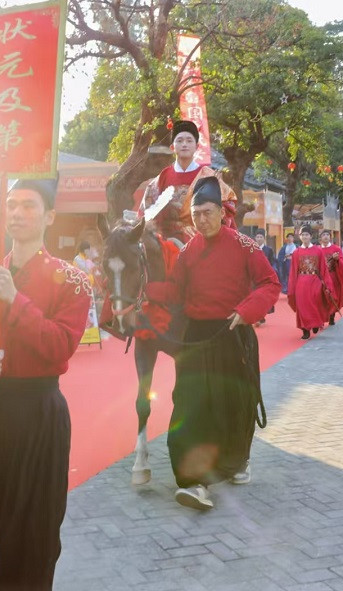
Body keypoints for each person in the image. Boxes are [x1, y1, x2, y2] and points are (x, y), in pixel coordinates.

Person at [0, 176, 90, 589]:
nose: (17, 213)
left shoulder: (73, 280)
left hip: (40, 413)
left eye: (28, 205)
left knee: (34, 530)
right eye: (11, 204)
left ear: (49, 216)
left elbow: (59, 346)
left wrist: (15, 300)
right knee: (2, 519)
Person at [144, 176, 280, 511]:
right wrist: (143, 291)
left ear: (222, 212)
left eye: (207, 212)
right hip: (196, 338)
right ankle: (192, 481)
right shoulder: (189, 251)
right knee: (189, 404)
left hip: (232, 334)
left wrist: (246, 310)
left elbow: (269, 283)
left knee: (233, 404)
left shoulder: (245, 246)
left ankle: (235, 461)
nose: (201, 220)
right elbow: (175, 292)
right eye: (196, 214)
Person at [142, 119, 204, 246]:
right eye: (179, 141)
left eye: (189, 140)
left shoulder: (207, 176)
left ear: (197, 146)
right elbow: (147, 211)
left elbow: (223, 211)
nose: (184, 144)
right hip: (167, 241)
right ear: (172, 147)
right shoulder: (162, 178)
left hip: (201, 240)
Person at [287, 225, 333, 339]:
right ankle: (305, 329)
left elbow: (323, 269)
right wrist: (292, 287)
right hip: (301, 282)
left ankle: (315, 323)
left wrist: (327, 284)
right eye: (302, 235)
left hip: (315, 281)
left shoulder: (318, 250)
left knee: (315, 303)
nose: (304, 237)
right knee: (302, 305)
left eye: (307, 235)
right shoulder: (296, 252)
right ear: (300, 237)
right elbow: (293, 271)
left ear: (311, 236)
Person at [319, 230, 343, 325]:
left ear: (330, 237)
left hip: (333, 277)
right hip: (321, 278)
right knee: (321, 298)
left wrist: (337, 260)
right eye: (323, 235)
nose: (325, 237)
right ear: (320, 238)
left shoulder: (336, 248)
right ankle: (321, 317)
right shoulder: (317, 249)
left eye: (327, 235)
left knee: (332, 296)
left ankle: (332, 316)